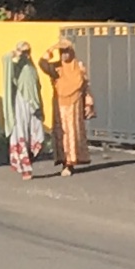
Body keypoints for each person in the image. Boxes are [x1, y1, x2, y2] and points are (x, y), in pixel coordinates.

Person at [37, 38, 94, 177]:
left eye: (67, 52)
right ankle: (65, 164)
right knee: (63, 135)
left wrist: (89, 104)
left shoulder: (79, 68)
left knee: (74, 134)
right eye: (62, 52)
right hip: (61, 107)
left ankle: (71, 163)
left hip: (75, 107)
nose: (64, 55)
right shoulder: (56, 68)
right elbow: (42, 63)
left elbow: (86, 87)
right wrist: (52, 48)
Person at [0, 42, 45, 180]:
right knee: (22, 133)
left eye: (28, 51)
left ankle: (30, 158)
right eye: (24, 51)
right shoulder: (15, 66)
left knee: (38, 134)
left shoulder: (31, 67)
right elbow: (5, 59)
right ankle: (25, 168)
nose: (26, 54)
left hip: (34, 104)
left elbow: (36, 86)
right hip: (20, 102)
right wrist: (16, 53)